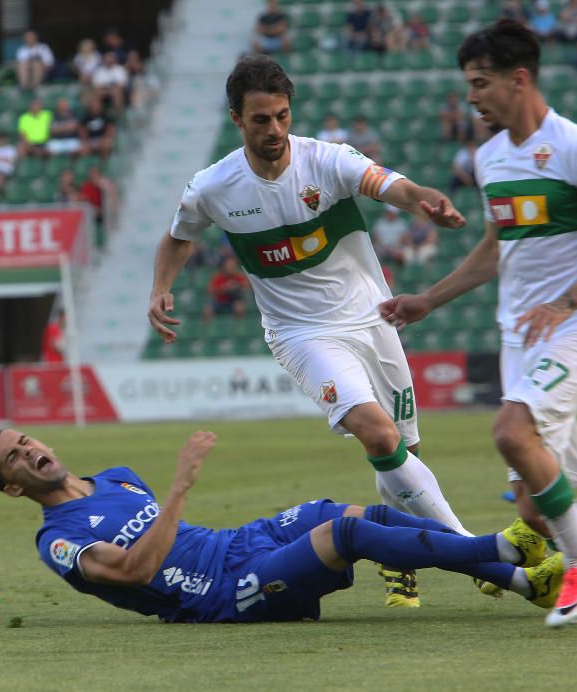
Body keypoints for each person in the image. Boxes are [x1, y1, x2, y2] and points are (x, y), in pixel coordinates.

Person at [148, 55, 473, 609]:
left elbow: (386, 183)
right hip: (300, 333)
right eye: (260, 120)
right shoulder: (213, 187)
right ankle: (472, 552)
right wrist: (159, 288)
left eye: (281, 116)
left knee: (405, 449)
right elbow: (180, 237)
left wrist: (422, 198)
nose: (274, 130)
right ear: (236, 119)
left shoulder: (328, 162)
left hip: (372, 317)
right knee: (379, 436)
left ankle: (398, 558)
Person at [380, 20, 577, 628]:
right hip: (522, 340)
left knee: (509, 431)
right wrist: (430, 299)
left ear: (518, 79)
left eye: (480, 83)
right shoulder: (491, 156)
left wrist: (566, 303)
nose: (471, 97)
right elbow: (497, 248)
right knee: (531, 508)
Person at [0, 429, 567, 623]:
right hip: (222, 595)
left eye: (26, 440)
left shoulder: (119, 479)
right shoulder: (56, 539)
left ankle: (523, 583)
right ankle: (499, 548)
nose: (28, 452)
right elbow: (135, 568)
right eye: (13, 458)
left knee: (360, 513)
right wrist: (180, 487)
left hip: (238, 542)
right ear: (12, 487)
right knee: (347, 538)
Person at [203, 255, 250, 320]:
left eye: (233, 266)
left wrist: (237, 285)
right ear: (225, 266)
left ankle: (238, 328)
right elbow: (210, 290)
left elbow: (246, 288)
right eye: (229, 265)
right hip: (219, 301)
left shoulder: (239, 276)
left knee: (240, 307)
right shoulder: (218, 276)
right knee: (208, 310)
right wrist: (225, 288)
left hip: (234, 301)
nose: (231, 267)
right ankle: (207, 329)